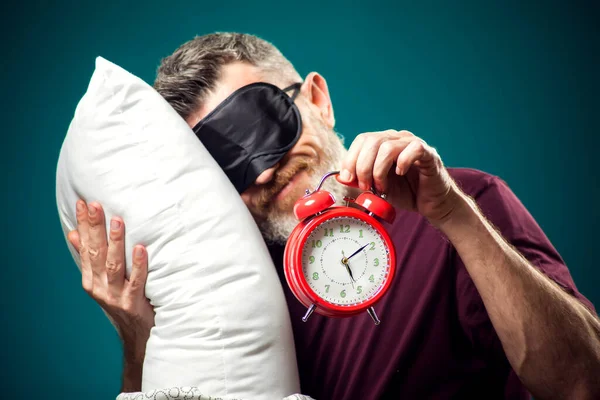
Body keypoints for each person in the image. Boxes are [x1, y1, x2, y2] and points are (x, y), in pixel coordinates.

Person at [67, 33, 600, 399]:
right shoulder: (225, 290)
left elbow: (584, 383)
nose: (261, 172)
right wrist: (140, 336)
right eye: (225, 163)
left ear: (318, 99)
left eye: (264, 125)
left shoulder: (463, 202)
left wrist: (456, 216)